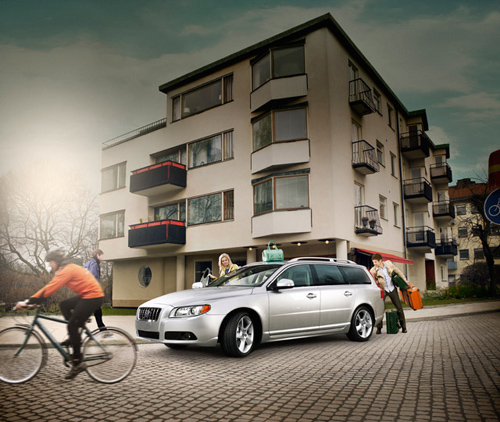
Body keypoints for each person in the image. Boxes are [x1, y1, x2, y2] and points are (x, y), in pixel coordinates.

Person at [15, 247, 104, 380]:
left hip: (93, 296)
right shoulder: (65, 269)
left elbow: (50, 288)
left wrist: (29, 301)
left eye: (50, 262)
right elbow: (50, 288)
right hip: (87, 295)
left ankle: (77, 362)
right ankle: (74, 334)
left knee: (72, 326)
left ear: (56, 261)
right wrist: (35, 300)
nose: (50, 265)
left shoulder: (67, 270)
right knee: (63, 305)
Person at [370, 253, 408, 334]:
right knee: (380, 309)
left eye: (375, 262)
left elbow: (399, 272)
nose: (374, 264)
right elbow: (372, 282)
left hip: (392, 289)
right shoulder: (373, 270)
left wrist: (405, 281)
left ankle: (404, 327)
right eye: (373, 262)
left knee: (399, 308)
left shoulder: (389, 264)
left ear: (380, 261)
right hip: (382, 291)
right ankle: (379, 328)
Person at [84, 249, 106, 331]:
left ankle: (102, 328)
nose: (102, 258)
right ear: (97, 255)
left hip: (87, 290)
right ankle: (102, 329)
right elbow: (93, 276)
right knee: (96, 310)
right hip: (92, 290)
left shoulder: (88, 263)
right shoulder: (94, 263)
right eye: (101, 255)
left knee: (97, 310)